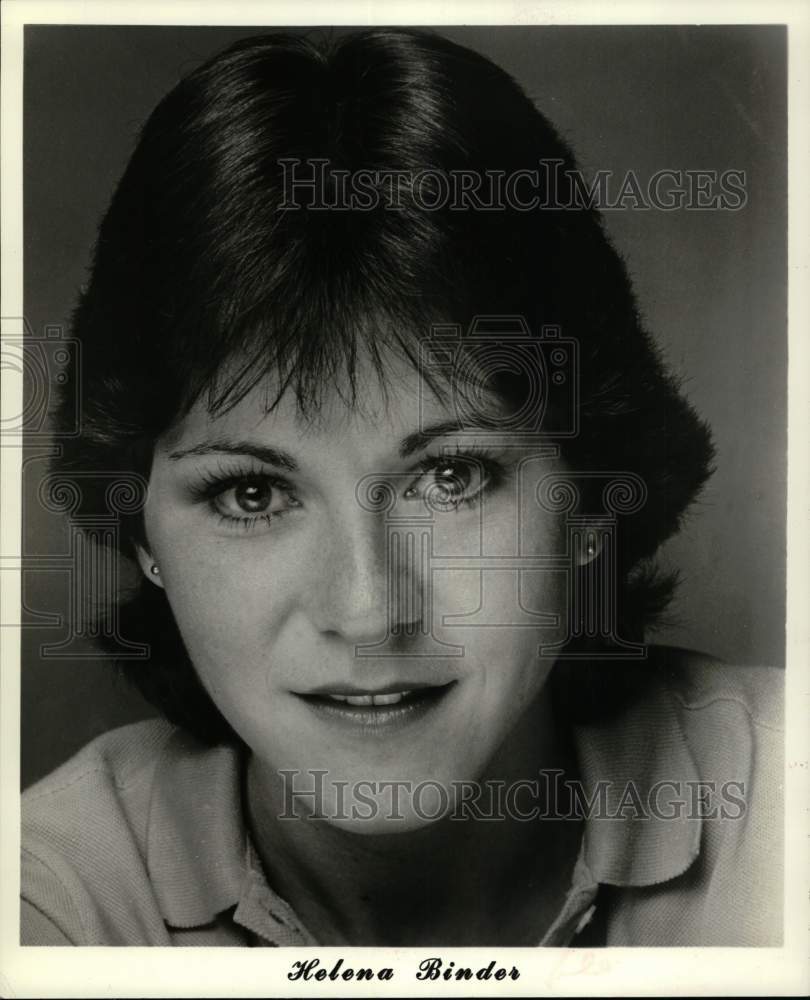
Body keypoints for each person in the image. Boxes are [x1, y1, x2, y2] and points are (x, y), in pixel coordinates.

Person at [21, 27, 782, 947]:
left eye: (452, 477)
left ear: (591, 495)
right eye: (251, 495)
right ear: (141, 532)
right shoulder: (45, 912)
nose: (369, 612)